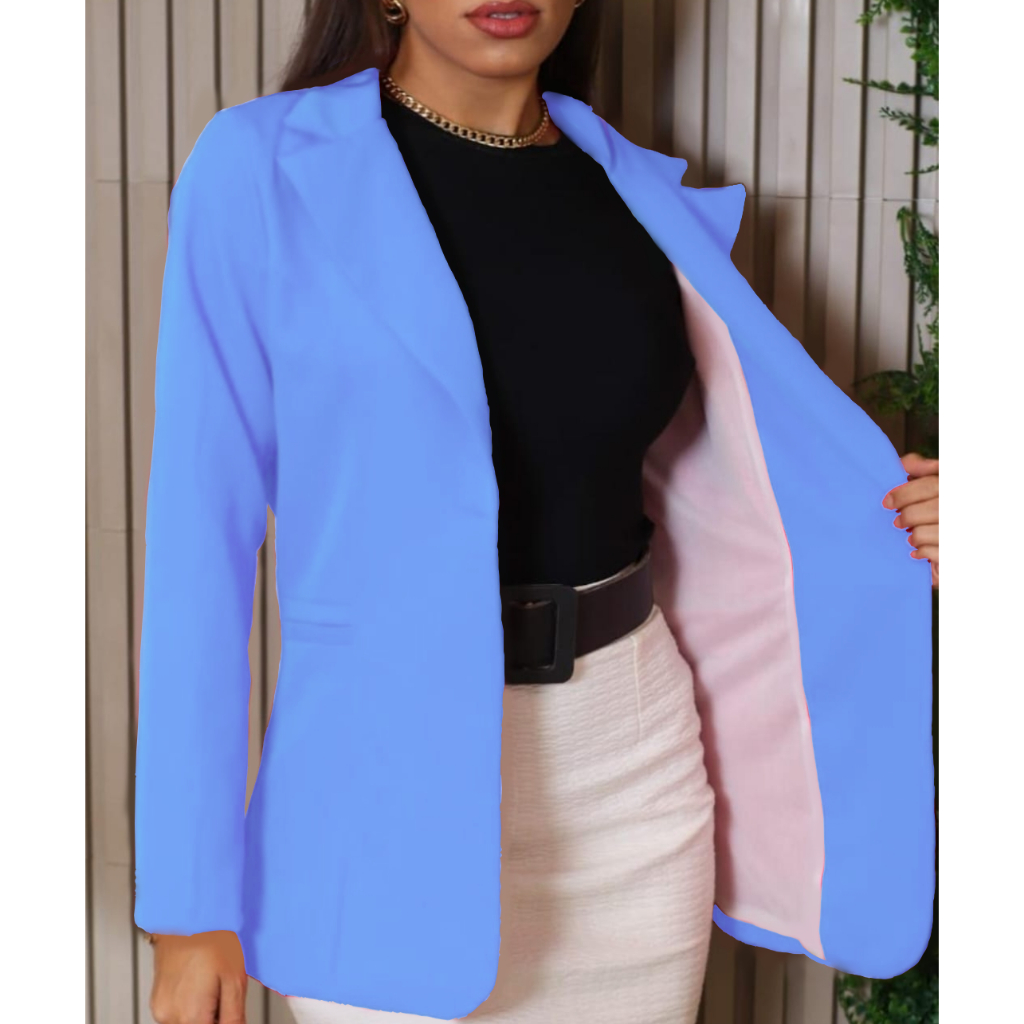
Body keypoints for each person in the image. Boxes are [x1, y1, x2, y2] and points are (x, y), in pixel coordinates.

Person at [137, 2, 939, 1023]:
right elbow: (197, 554)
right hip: (375, 803)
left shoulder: (635, 193)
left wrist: (919, 517)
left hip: (634, 779)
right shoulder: (260, 168)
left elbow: (747, 485)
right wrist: (190, 908)